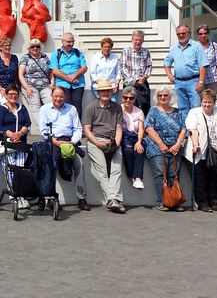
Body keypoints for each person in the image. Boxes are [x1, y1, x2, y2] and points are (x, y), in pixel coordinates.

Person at [39, 86, 87, 210]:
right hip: (53, 142)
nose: (58, 99)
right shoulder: (44, 109)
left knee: (79, 164)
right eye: (56, 96)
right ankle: (50, 198)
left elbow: (77, 128)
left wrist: (72, 142)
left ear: (64, 96)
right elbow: (44, 131)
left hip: (69, 142)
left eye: (61, 96)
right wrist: (56, 142)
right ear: (51, 96)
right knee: (51, 164)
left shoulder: (72, 109)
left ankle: (81, 198)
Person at [83, 79, 125, 213]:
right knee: (101, 170)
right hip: (96, 140)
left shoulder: (117, 107)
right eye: (103, 91)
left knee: (116, 168)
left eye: (108, 90)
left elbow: (119, 128)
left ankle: (112, 200)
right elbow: (87, 130)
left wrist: (116, 144)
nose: (105, 93)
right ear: (98, 92)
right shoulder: (91, 107)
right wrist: (98, 143)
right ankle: (114, 199)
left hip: (112, 141)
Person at [144, 85, 188, 211]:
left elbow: (184, 129)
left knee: (174, 175)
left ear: (170, 97)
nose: (163, 97)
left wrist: (178, 144)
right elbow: (149, 128)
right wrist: (161, 144)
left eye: (165, 95)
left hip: (175, 147)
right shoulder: (153, 111)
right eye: (160, 95)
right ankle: (162, 202)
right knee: (160, 174)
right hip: (157, 147)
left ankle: (174, 201)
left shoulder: (177, 112)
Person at [186, 89, 217, 213]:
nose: (207, 104)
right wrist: (195, 145)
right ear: (201, 102)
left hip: (215, 150)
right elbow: (193, 130)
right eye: (205, 102)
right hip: (199, 150)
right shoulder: (194, 113)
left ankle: (214, 201)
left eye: (210, 102)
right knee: (200, 178)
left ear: (214, 102)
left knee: (213, 177)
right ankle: (202, 203)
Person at [0, 84, 32, 208]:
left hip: (21, 143)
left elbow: (28, 123)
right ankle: (14, 195)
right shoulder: (2, 109)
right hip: (7, 144)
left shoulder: (22, 108)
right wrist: (10, 134)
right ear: (6, 95)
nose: (13, 96)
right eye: (10, 94)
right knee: (9, 170)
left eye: (15, 94)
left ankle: (21, 195)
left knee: (20, 169)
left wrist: (20, 133)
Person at [164, 25, 206, 121]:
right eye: (178, 34)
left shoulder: (196, 46)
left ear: (189, 34)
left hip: (193, 81)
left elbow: (203, 65)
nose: (181, 35)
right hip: (179, 82)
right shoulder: (174, 48)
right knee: (182, 109)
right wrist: (169, 74)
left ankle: (196, 130)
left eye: (183, 33)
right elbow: (166, 62)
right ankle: (186, 131)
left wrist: (201, 82)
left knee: (196, 107)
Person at [51, 32, 88, 120]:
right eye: (68, 42)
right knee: (66, 105)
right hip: (62, 84)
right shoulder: (56, 54)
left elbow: (84, 68)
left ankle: (77, 127)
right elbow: (55, 70)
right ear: (62, 42)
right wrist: (69, 79)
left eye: (72, 41)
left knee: (77, 105)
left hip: (78, 83)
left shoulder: (78, 53)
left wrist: (74, 76)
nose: (71, 44)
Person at [18, 38, 53, 129]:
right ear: (29, 48)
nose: (35, 48)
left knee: (51, 104)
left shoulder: (45, 57)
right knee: (35, 107)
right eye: (32, 46)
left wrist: (52, 83)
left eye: (37, 46)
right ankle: (43, 128)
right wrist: (27, 87)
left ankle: (53, 125)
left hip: (45, 86)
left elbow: (51, 72)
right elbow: (20, 74)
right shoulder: (25, 58)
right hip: (30, 86)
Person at [120, 30, 152, 116]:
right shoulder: (126, 51)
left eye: (140, 40)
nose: (138, 42)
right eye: (136, 40)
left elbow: (149, 66)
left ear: (143, 40)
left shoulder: (146, 52)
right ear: (132, 39)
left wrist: (144, 77)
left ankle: (144, 126)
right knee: (129, 105)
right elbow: (123, 67)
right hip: (129, 83)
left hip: (142, 82)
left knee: (145, 105)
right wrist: (133, 80)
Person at [119, 86, 146, 190]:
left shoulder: (139, 112)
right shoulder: (119, 109)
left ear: (134, 99)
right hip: (124, 136)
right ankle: (132, 177)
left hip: (135, 136)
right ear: (122, 98)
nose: (128, 100)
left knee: (140, 150)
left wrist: (139, 141)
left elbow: (141, 129)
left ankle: (138, 178)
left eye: (131, 98)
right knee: (128, 150)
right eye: (125, 97)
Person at [0, 37, 20, 105]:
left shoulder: (14, 58)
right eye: (5, 45)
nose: (8, 47)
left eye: (9, 45)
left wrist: (19, 87)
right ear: (0, 47)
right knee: (5, 103)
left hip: (12, 86)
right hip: (0, 86)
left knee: (15, 103)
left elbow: (17, 74)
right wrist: (0, 89)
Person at [195, 25, 217, 93]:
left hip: (212, 79)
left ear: (208, 34)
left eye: (205, 33)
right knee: (199, 102)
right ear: (197, 34)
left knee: (212, 100)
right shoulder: (194, 46)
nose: (203, 35)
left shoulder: (214, 45)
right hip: (198, 79)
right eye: (200, 34)